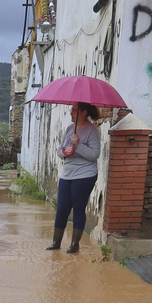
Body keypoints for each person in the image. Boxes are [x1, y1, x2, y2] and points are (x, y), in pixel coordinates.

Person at [48, 102, 102, 255]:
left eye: (74, 110)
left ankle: (74, 244)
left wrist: (78, 145)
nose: (71, 113)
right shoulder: (69, 129)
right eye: (72, 110)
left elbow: (94, 154)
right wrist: (66, 151)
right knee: (62, 208)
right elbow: (59, 151)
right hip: (67, 174)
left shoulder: (91, 131)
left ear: (84, 112)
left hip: (85, 175)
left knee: (78, 208)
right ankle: (56, 242)